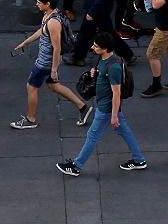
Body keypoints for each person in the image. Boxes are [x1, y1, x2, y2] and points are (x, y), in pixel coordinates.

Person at [57, 32, 148, 176]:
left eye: (96, 46)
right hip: (106, 106)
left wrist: (113, 116)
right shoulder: (104, 59)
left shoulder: (114, 68)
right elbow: (103, 75)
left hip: (106, 108)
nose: (93, 48)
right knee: (124, 131)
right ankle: (139, 160)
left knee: (92, 135)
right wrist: (96, 72)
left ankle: (76, 166)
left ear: (105, 49)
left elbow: (116, 93)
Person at [9, 0, 91, 130]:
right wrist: (26, 42)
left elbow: (57, 48)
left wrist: (53, 70)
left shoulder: (53, 23)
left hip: (45, 62)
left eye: (39, 3)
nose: (37, 4)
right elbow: (42, 30)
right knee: (54, 86)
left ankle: (31, 119)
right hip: (47, 61)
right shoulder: (50, 14)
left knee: (31, 86)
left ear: (48, 4)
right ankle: (83, 108)